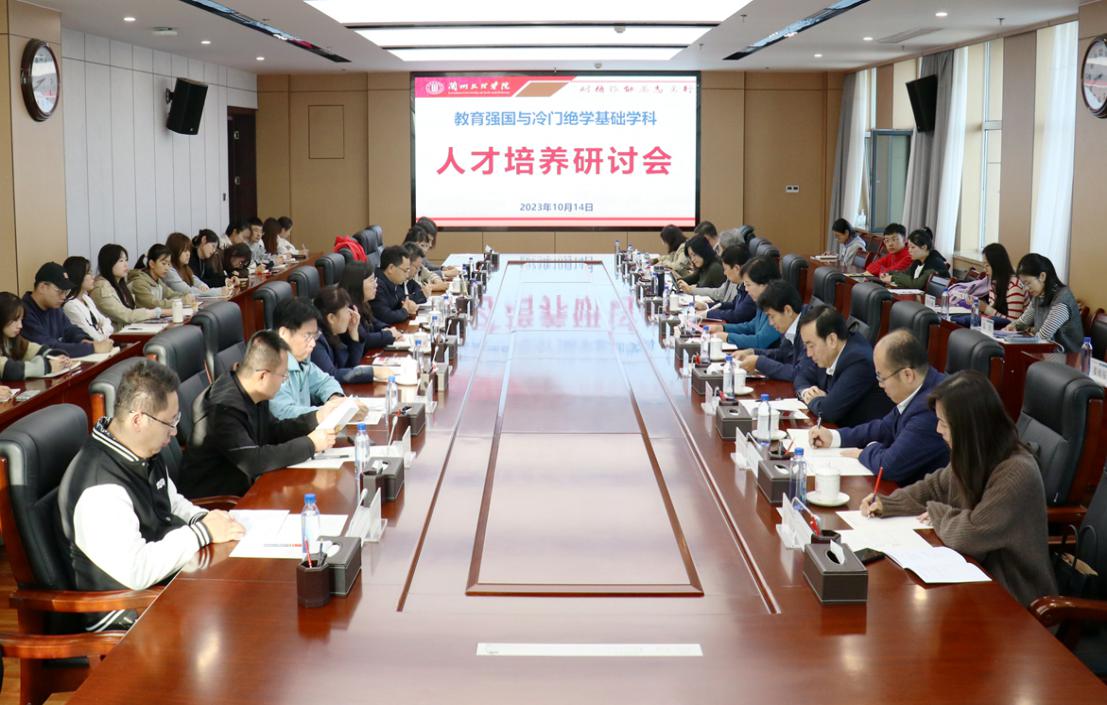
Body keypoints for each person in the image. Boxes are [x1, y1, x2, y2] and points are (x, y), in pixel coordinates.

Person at [58, 360, 245, 630]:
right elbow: (137, 571)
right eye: (170, 422)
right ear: (138, 420)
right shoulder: (100, 490)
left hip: (164, 585)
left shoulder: (140, 448)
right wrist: (202, 533)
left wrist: (206, 519)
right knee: (233, 623)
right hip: (126, 613)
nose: (175, 432)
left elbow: (172, 502)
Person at [860, 371, 1057, 607]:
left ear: (969, 427)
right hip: (975, 577)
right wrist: (887, 503)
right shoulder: (974, 453)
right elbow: (934, 487)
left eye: (944, 423)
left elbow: (969, 535)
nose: (938, 430)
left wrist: (937, 513)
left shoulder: (1016, 472)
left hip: (1013, 598)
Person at [180, 331, 339, 499]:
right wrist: (310, 444)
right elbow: (253, 461)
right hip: (217, 502)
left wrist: (316, 417)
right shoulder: (222, 409)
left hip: (249, 489)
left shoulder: (251, 388)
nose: (284, 381)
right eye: (283, 376)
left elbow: (274, 430)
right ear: (263, 375)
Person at [809, 329, 948, 485]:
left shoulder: (931, 407)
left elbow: (889, 466)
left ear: (907, 375)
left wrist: (867, 450)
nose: (880, 385)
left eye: (882, 378)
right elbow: (885, 427)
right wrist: (834, 437)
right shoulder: (922, 386)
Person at [794, 304, 893, 426]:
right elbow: (801, 376)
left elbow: (828, 411)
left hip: (863, 434)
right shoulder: (827, 354)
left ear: (832, 340)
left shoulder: (859, 361)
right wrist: (806, 392)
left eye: (811, 346)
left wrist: (813, 400)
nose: (808, 353)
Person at [270, 297, 346, 421]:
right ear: (284, 333)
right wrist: (327, 411)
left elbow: (324, 381)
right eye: (307, 336)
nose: (313, 344)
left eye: (314, 336)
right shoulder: (270, 364)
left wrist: (335, 398)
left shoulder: (300, 359)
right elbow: (284, 412)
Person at [311, 285, 396, 384]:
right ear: (331, 318)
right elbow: (331, 375)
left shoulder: (334, 332)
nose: (350, 316)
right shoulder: (316, 340)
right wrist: (372, 372)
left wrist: (354, 332)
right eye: (346, 311)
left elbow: (351, 365)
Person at [21, 262, 110, 357]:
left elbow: (70, 329)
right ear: (42, 287)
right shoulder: (24, 313)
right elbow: (48, 347)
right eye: (59, 292)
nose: (63, 297)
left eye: (65, 292)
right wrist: (91, 348)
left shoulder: (53, 306)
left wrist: (83, 339)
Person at [1005, 253, 1085, 352]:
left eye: (1028, 283)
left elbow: (1042, 337)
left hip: (1067, 356)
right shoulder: (1039, 295)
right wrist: (1011, 327)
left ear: (1042, 276)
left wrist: (1025, 333)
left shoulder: (1062, 300)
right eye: (1023, 284)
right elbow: (1023, 322)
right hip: (1048, 353)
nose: (1026, 288)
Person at [734, 280, 809, 380]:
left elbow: (799, 374)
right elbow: (783, 354)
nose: (771, 323)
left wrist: (760, 362)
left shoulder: (810, 330)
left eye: (772, 316)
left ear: (788, 310)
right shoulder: (791, 323)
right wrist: (753, 352)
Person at [707, 256, 782, 350]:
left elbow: (760, 341)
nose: (746, 289)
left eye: (748, 284)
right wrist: (723, 328)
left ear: (765, 284)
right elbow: (751, 326)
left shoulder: (778, 306)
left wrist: (728, 337)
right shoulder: (763, 301)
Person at [90, 245, 168, 328]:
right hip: (114, 335)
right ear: (108, 263)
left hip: (129, 331)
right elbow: (126, 315)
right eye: (121, 261)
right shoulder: (101, 289)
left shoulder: (120, 284)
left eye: (126, 260)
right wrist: (159, 312)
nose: (126, 264)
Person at [1, 291, 70, 380]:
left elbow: (32, 349)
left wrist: (57, 357)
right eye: (15, 320)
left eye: (21, 320)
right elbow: (10, 370)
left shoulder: (11, 339)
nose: (20, 326)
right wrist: (48, 366)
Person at [341, 261, 400, 349]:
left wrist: (387, 328)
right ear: (358, 284)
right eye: (371, 281)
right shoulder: (348, 308)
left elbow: (374, 322)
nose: (376, 285)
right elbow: (364, 339)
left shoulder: (362, 303)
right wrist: (389, 334)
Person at [127, 244, 195, 311]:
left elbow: (171, 294)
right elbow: (153, 305)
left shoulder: (158, 281)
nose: (167, 268)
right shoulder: (139, 282)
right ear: (152, 264)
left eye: (168, 264)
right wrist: (182, 301)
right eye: (164, 263)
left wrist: (186, 296)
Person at [62, 256, 114, 342]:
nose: (93, 277)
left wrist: (101, 331)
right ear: (78, 275)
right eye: (89, 273)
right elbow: (92, 337)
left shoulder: (86, 298)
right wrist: (102, 331)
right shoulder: (70, 305)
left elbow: (107, 322)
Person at [881, 227, 949, 289]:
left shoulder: (934, 262)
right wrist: (889, 273)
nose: (909, 250)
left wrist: (893, 278)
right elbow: (906, 273)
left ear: (924, 247)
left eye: (913, 247)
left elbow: (916, 284)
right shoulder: (918, 260)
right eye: (909, 247)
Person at [702, 244, 756, 324]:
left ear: (736, 268)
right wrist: (707, 306)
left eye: (725, 269)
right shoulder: (741, 285)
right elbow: (733, 305)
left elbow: (737, 316)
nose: (724, 273)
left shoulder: (752, 290)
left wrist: (709, 314)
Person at [372, 245, 418, 325]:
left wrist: (408, 304)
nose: (407, 275)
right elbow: (386, 316)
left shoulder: (393, 281)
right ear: (391, 268)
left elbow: (401, 299)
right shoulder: (376, 286)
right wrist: (405, 311)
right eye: (405, 271)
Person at [163, 232, 215, 297]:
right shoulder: (168, 270)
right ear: (175, 251)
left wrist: (203, 286)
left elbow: (197, 282)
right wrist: (217, 292)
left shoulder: (186, 268)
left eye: (189, 250)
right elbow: (187, 291)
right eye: (185, 251)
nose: (188, 254)